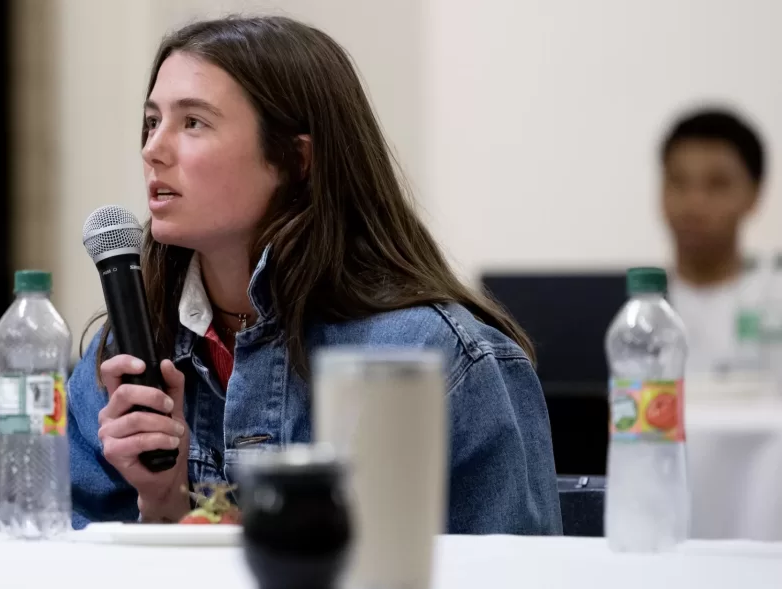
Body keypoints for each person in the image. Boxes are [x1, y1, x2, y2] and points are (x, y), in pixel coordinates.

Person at [67, 15, 562, 535]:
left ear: (295, 158)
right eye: (151, 122)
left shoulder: (435, 359)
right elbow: (60, 570)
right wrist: (162, 504)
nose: (153, 149)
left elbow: (515, 577)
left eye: (193, 122)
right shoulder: (123, 355)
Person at [660, 108, 767, 374]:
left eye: (717, 184)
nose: (693, 204)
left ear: (754, 194)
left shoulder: (772, 301)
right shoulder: (630, 315)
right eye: (678, 182)